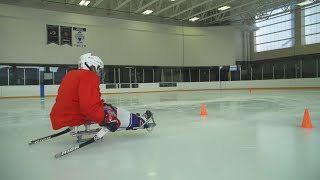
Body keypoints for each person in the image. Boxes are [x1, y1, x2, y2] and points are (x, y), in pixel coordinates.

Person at [50, 53, 151, 133]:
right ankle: (140, 121)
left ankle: (133, 117)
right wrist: (105, 119)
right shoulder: (89, 76)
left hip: (62, 114)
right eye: (98, 68)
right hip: (77, 115)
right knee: (111, 111)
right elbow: (88, 107)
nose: (98, 72)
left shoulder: (71, 74)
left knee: (106, 108)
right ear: (91, 66)